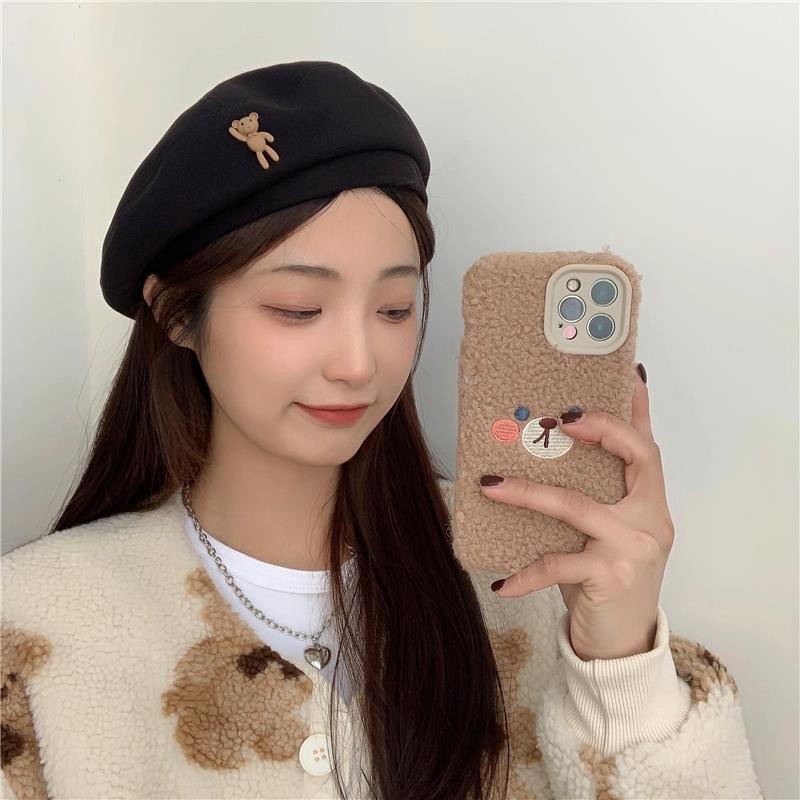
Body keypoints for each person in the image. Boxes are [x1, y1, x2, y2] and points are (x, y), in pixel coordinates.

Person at [1, 60, 763, 800]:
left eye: (395, 309)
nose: (360, 364)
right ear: (175, 314)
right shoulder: (42, 630)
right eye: (298, 309)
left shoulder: (529, 587)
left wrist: (622, 663)